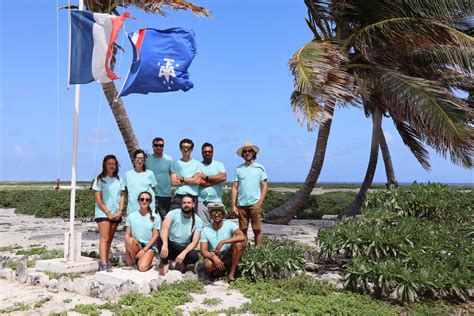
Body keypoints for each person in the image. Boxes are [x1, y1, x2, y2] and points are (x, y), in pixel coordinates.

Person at [92, 154, 125, 272]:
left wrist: (121, 210)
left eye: (113, 164)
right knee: (104, 238)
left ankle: (106, 261)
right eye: (109, 164)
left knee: (110, 239)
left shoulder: (119, 179)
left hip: (116, 213)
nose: (111, 166)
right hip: (103, 213)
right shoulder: (100, 179)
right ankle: (104, 264)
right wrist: (108, 213)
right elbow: (98, 199)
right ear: (105, 165)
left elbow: (122, 195)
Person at [231, 141, 268, 246]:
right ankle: (243, 251)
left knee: (257, 229)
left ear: (253, 153)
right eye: (245, 151)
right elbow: (234, 187)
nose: (247, 153)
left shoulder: (260, 168)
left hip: (255, 204)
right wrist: (233, 205)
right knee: (242, 230)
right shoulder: (238, 169)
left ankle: (258, 251)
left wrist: (260, 203)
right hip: (241, 205)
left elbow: (265, 186)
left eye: (249, 151)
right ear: (242, 154)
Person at [158, 194, 203, 274]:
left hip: (184, 247)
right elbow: (164, 228)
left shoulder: (198, 220)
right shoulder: (173, 213)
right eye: (184, 203)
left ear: (193, 205)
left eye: (189, 203)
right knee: (160, 239)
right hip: (170, 245)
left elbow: (195, 242)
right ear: (181, 204)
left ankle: (182, 264)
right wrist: (165, 244)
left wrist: (184, 253)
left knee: (194, 256)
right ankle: (165, 263)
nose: (186, 205)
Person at [199, 204, 245, 282]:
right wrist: (213, 257)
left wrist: (223, 241)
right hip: (214, 254)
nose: (216, 215)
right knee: (208, 264)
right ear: (211, 215)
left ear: (223, 215)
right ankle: (215, 272)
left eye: (219, 212)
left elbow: (242, 236)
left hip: (227, 254)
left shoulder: (230, 224)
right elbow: (203, 251)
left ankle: (231, 274)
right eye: (214, 213)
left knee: (239, 244)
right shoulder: (205, 230)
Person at [124, 191, 161, 271]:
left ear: (150, 202)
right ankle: (135, 258)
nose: (144, 201)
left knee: (142, 268)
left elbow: (155, 236)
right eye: (142, 199)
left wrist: (144, 250)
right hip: (136, 245)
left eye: (147, 200)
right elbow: (127, 236)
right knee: (130, 240)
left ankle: (146, 259)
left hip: (149, 247)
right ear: (138, 201)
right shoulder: (131, 216)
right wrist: (127, 254)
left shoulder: (155, 217)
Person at [197, 142, 227, 226]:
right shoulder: (197, 165)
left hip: (216, 202)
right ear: (202, 153)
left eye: (209, 152)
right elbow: (199, 181)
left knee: (219, 227)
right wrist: (216, 179)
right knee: (203, 228)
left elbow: (223, 177)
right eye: (205, 152)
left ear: (212, 152)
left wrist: (206, 177)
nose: (207, 153)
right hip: (201, 203)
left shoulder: (219, 164)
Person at [170, 138, 202, 210]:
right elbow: (174, 182)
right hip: (178, 197)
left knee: (191, 220)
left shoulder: (197, 164)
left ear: (192, 149)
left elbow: (197, 181)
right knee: (171, 219)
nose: (186, 149)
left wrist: (181, 178)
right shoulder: (175, 164)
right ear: (180, 149)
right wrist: (191, 179)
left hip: (192, 198)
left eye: (188, 148)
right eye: (183, 147)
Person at [146, 137, 173, 220]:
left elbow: (172, 175)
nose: (158, 147)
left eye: (161, 145)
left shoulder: (169, 159)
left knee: (165, 220)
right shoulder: (147, 159)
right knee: (150, 220)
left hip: (165, 195)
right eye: (156, 145)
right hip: (150, 195)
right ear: (152, 146)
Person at [124, 149, 157, 214]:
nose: (140, 160)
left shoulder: (150, 173)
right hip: (132, 210)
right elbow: (126, 193)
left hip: (148, 210)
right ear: (134, 159)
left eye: (142, 158)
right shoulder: (127, 174)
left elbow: (154, 191)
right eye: (138, 158)